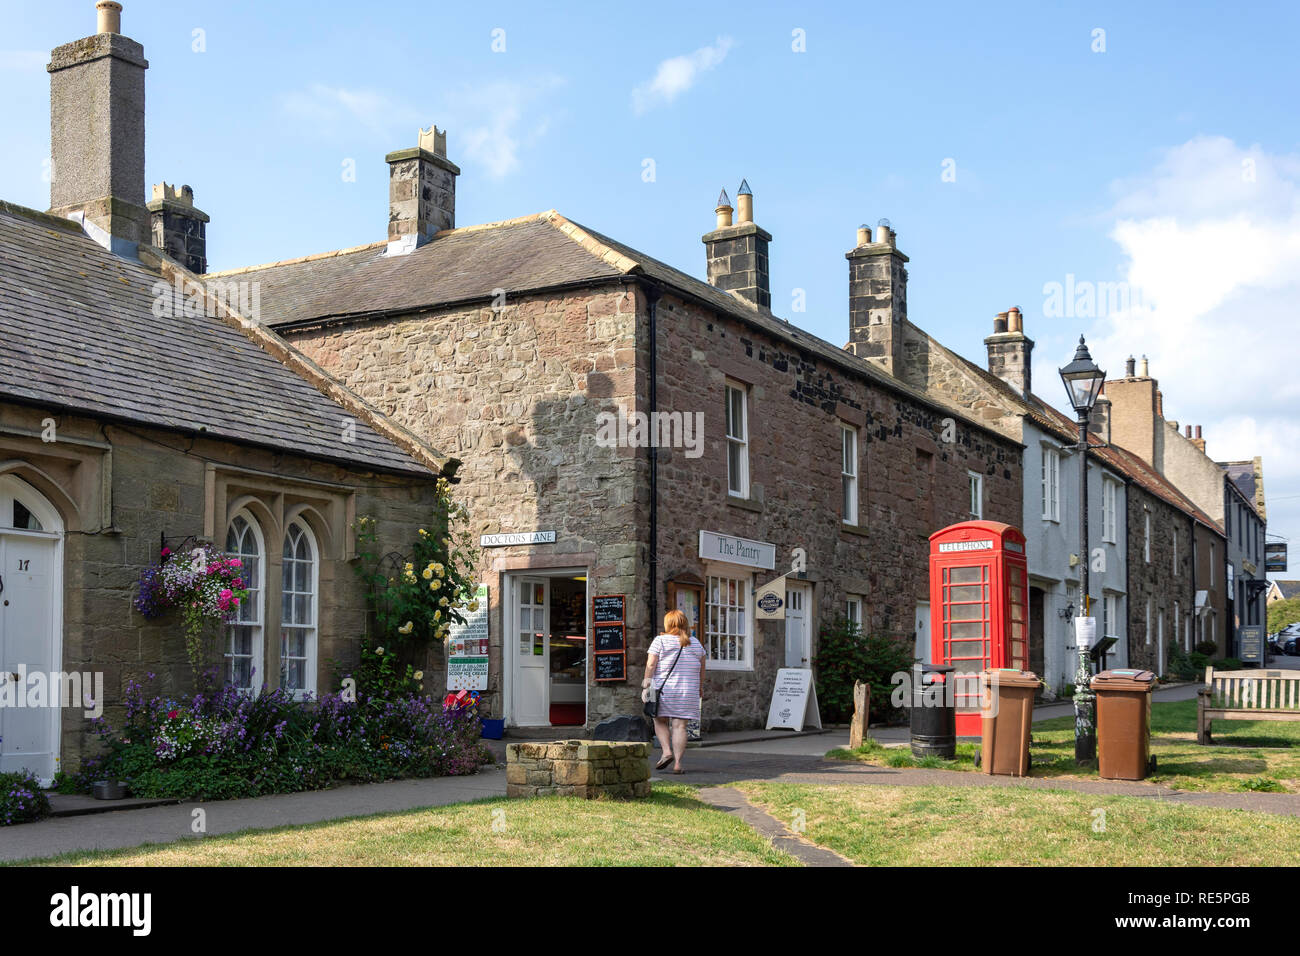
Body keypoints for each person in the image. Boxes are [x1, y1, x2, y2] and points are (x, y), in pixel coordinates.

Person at [642, 609, 707, 774]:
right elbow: (702, 670)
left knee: (659, 720)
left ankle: (666, 751)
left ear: (668, 624)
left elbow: (650, 665)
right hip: (689, 691)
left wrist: (646, 685)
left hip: (665, 690)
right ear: (685, 623)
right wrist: (699, 688)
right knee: (680, 727)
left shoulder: (660, 641)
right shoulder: (697, 644)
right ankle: (678, 764)